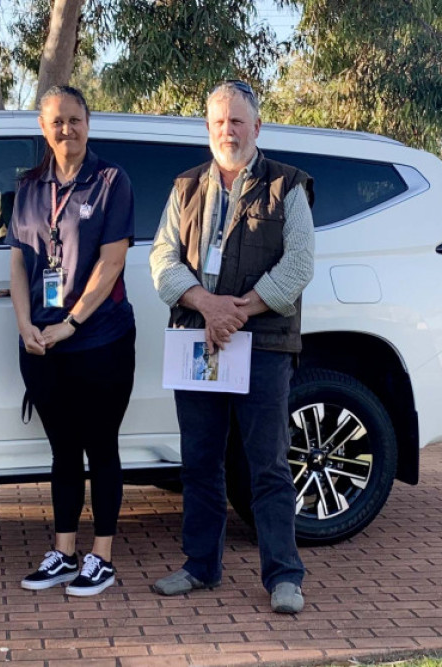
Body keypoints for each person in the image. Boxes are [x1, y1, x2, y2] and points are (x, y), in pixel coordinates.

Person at [148, 80, 315, 614]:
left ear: (258, 127)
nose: (229, 131)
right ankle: (201, 566)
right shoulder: (185, 187)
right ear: (208, 129)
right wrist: (206, 304)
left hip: (262, 343)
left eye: (238, 121)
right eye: (219, 122)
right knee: (199, 461)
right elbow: (161, 260)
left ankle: (284, 576)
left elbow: (298, 266)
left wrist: (235, 310)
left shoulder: (288, 186)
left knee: (266, 465)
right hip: (197, 341)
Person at [8, 85, 136, 597]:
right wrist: (24, 324)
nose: (67, 129)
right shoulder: (29, 187)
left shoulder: (110, 181)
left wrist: (74, 323)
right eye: (57, 121)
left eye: (75, 119)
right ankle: (63, 552)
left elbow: (113, 261)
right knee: (63, 450)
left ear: (88, 123)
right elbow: (18, 260)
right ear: (44, 128)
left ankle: (100, 556)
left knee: (101, 446)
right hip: (42, 344)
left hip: (99, 338)